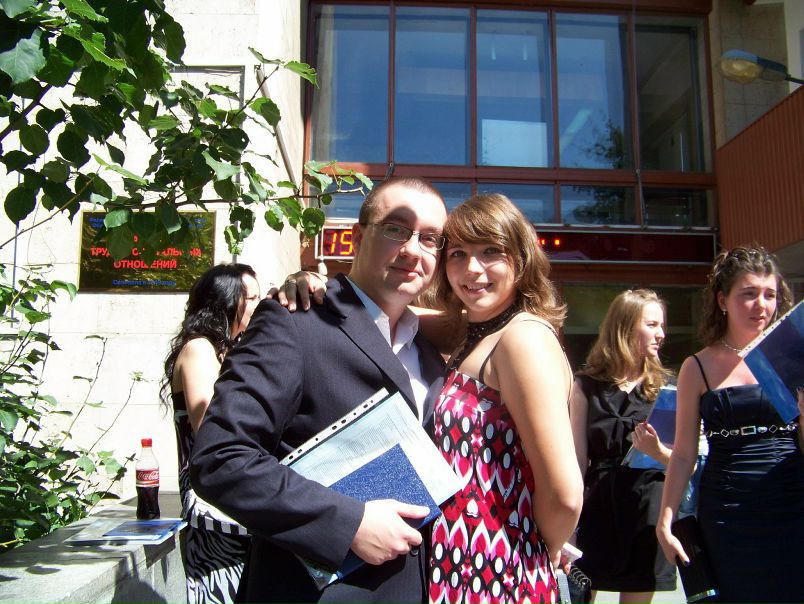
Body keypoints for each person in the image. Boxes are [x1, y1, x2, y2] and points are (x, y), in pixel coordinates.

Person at [190, 176, 449, 604]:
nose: (412, 249)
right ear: (358, 237)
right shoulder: (294, 320)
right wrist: (348, 523)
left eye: (430, 238)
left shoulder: (428, 349)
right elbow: (220, 458)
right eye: (396, 229)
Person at [427, 193, 583, 603]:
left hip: (501, 572)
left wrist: (537, 551)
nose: (471, 269)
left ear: (522, 258)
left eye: (490, 252)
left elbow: (565, 495)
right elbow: (392, 315)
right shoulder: (474, 334)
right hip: (463, 565)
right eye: (457, 254)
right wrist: (323, 290)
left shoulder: (523, 339)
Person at [656, 246, 804, 604]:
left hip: (792, 502)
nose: (761, 305)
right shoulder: (697, 366)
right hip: (727, 510)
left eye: (770, 294)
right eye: (749, 293)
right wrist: (666, 518)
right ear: (723, 300)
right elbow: (683, 453)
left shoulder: (793, 358)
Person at [161, 263, 260, 604]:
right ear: (227, 301)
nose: (259, 306)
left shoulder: (228, 349)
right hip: (213, 501)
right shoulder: (199, 349)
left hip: (234, 497)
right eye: (252, 298)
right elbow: (210, 426)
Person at [569, 289, 677, 604]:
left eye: (662, 325)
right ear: (625, 327)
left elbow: (685, 461)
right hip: (597, 508)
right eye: (652, 324)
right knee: (577, 594)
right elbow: (576, 462)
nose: (661, 334)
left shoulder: (666, 388)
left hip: (647, 508)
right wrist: (569, 526)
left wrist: (658, 452)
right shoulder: (585, 386)